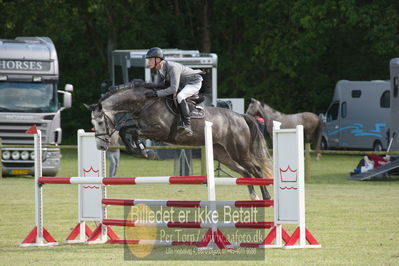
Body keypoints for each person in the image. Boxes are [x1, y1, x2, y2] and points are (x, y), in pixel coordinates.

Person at [144, 47, 203, 136]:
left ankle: (187, 125)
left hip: (194, 82)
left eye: (150, 60)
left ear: (158, 59)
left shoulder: (172, 67)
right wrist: (151, 86)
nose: (149, 62)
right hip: (183, 84)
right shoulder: (160, 69)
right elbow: (163, 85)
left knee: (180, 96)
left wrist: (156, 94)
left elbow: (173, 89)